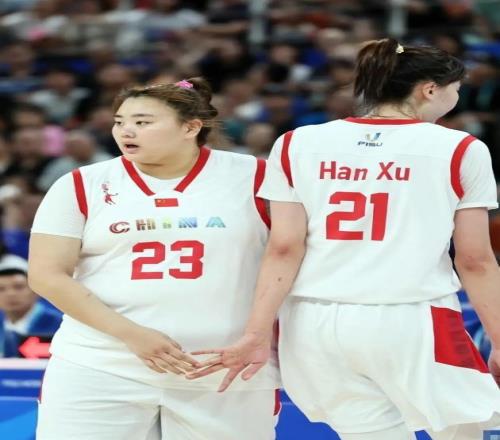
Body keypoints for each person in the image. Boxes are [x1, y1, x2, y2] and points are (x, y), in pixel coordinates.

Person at [188, 39, 500, 440]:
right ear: (429, 89)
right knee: (463, 429)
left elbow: (283, 248)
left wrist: (256, 332)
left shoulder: (296, 143)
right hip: (409, 316)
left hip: (312, 322)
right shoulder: (459, 147)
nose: (456, 98)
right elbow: (475, 260)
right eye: (455, 89)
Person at [28, 77, 280, 440]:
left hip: (225, 366)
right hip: (100, 364)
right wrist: (133, 335)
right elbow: (46, 275)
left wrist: (261, 335)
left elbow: (290, 256)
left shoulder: (257, 176)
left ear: (190, 127)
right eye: (119, 121)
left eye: (142, 122)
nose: (125, 131)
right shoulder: (81, 183)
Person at [0, 262, 61, 357]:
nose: (10, 294)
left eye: (18, 287)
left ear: (36, 291)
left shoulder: (59, 324)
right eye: (1, 289)